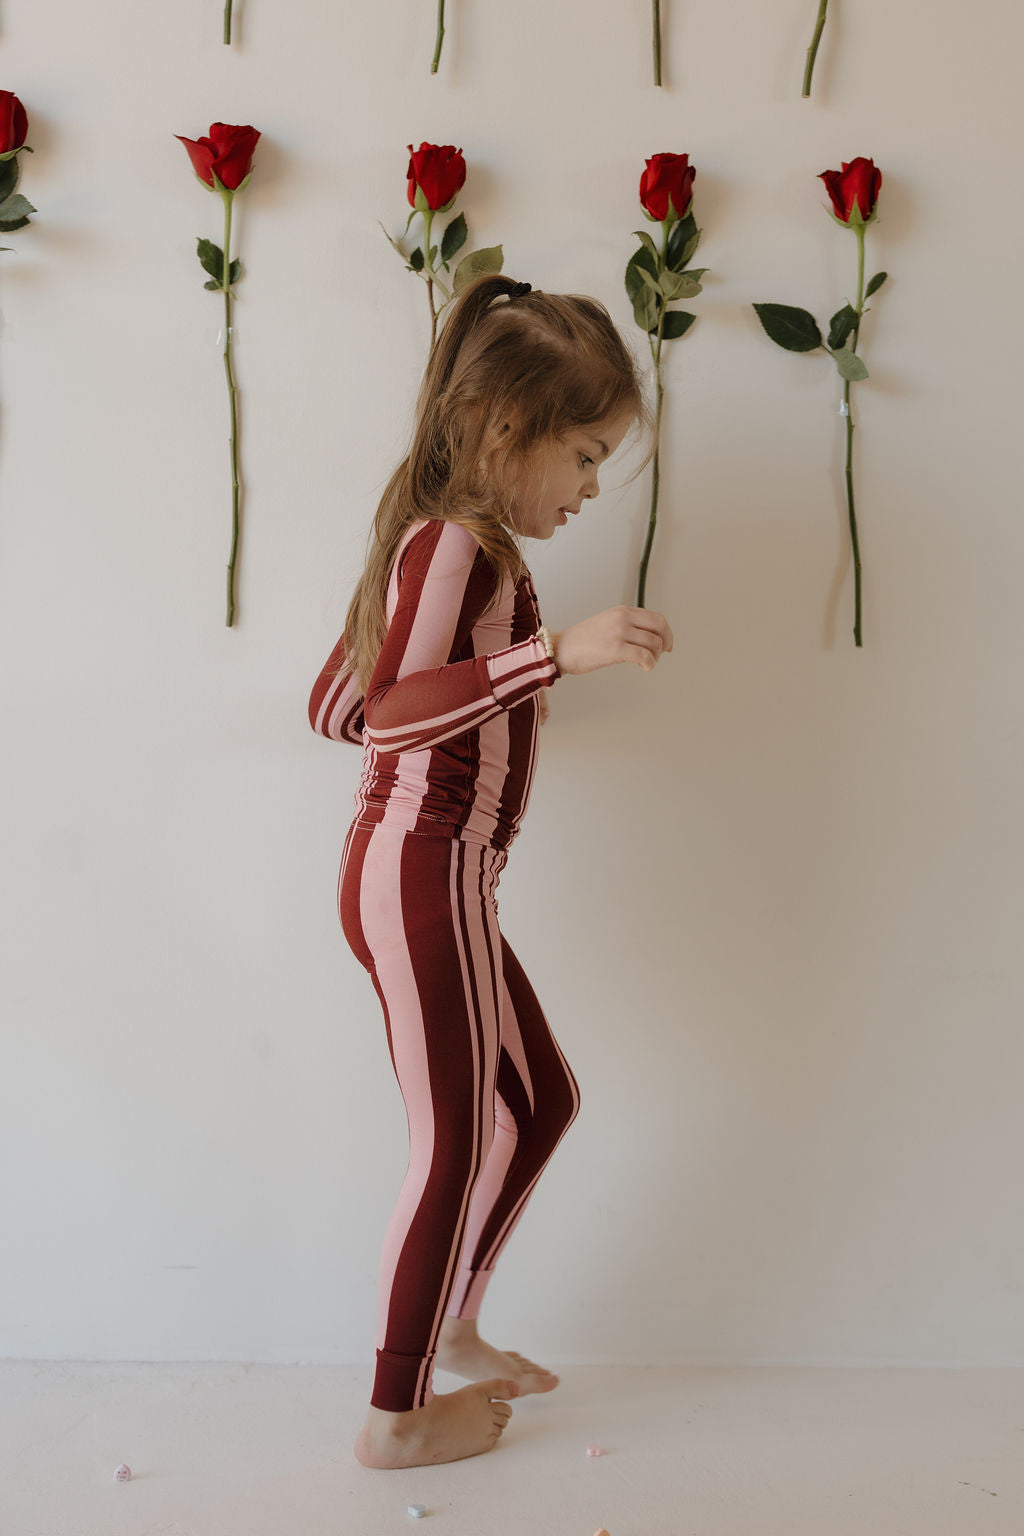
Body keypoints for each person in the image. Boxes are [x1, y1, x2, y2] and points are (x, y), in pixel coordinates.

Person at [307, 273, 673, 1470]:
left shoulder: (452, 547)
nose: (588, 489)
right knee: (454, 1140)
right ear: (509, 429)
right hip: (421, 869)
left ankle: (454, 1321)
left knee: (542, 1100)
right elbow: (372, 710)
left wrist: (516, 660)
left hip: (437, 874)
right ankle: (393, 1418)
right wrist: (547, 656)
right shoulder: (455, 544)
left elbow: (336, 706)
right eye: (583, 455)